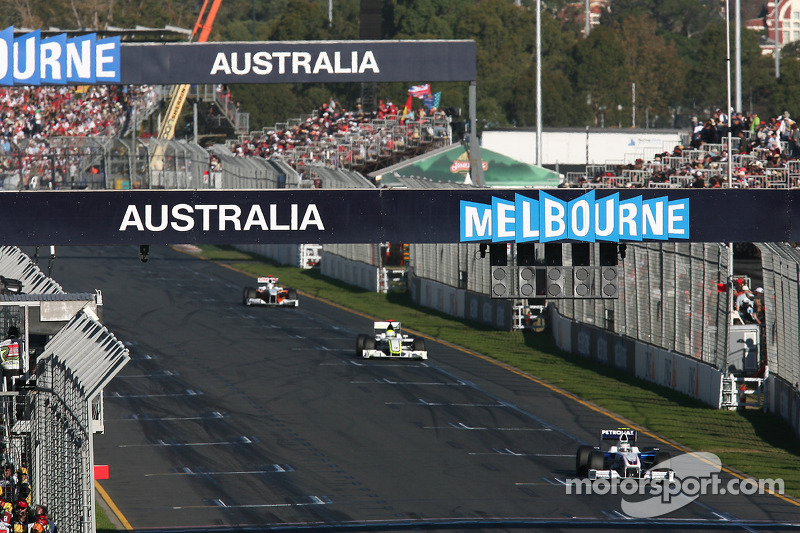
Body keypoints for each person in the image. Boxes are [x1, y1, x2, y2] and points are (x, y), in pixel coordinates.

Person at [0, 327, 22, 392]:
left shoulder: (1, 344)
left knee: (8, 389)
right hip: (18, 368)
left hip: (6, 369)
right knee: (18, 389)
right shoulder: (21, 343)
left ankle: (9, 400)